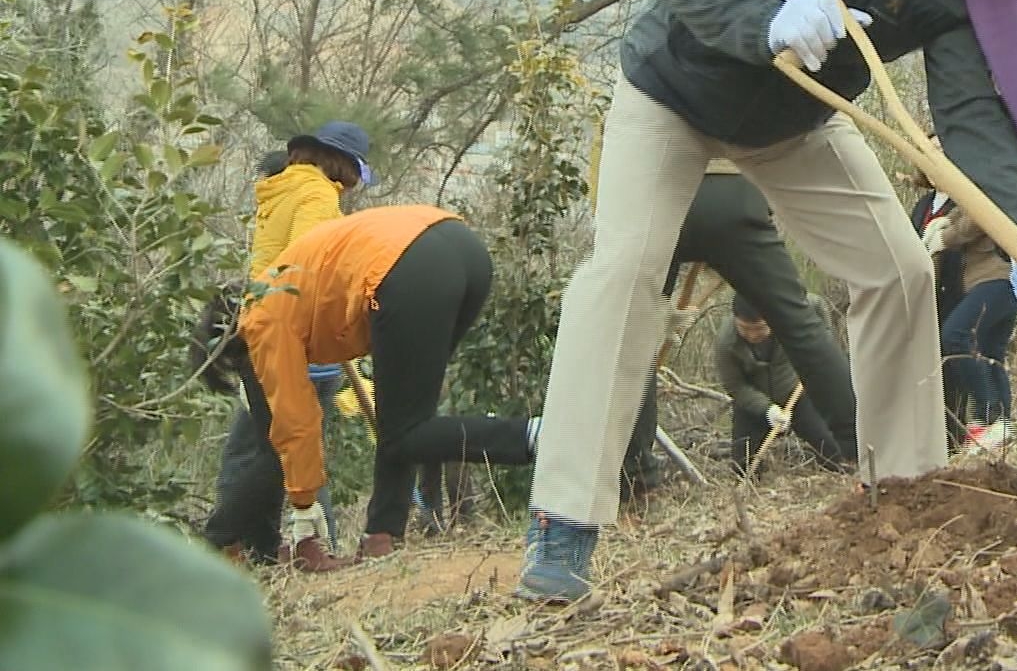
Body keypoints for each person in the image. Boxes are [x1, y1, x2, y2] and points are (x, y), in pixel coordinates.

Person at [518, 0, 1017, 602]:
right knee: (624, 274)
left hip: (796, 122)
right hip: (672, 92)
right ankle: (563, 525)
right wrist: (765, 19)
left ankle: (906, 493)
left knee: (898, 272)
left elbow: (971, 111)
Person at [200, 205, 538, 571]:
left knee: (405, 432)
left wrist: (304, 517)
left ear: (228, 341)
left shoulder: (261, 319)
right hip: (462, 248)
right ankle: (382, 536)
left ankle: (535, 435)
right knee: (407, 421)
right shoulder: (280, 284)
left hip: (404, 268)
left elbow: (295, 426)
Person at [597, 158, 858, 500]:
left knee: (633, 343)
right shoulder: (727, 340)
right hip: (734, 193)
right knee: (800, 322)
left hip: (654, 195)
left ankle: (636, 482)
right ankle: (863, 451)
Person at [202, 123, 376, 566]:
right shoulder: (318, 195)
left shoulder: (280, 189)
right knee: (288, 449)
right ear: (345, 166)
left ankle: (262, 548)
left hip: (259, 326)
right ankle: (227, 540)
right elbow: (311, 265)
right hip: (292, 336)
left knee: (270, 445)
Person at [913, 164, 1017, 455]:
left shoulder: (980, 182)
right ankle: (1003, 426)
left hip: (997, 279)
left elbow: (975, 218)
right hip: (991, 283)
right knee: (990, 353)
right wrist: (943, 225)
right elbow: (959, 217)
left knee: (955, 335)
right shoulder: (955, 196)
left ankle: (988, 415)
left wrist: (943, 237)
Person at [714, 299, 843, 476]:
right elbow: (735, 386)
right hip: (753, 402)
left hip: (796, 392)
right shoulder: (726, 342)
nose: (752, 335)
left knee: (832, 449)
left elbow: (817, 306)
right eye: (745, 329)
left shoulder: (789, 314)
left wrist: (822, 347)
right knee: (742, 467)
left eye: (759, 329)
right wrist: (767, 409)